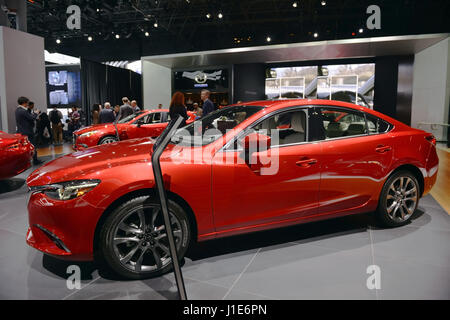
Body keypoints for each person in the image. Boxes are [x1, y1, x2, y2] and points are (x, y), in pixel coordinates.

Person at [15, 97, 42, 164]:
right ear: (24, 103)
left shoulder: (17, 110)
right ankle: (35, 161)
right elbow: (32, 118)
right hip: (27, 132)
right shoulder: (23, 111)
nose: (28, 104)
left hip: (21, 131)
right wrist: (36, 113)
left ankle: (24, 161)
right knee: (33, 146)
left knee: (24, 147)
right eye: (27, 102)